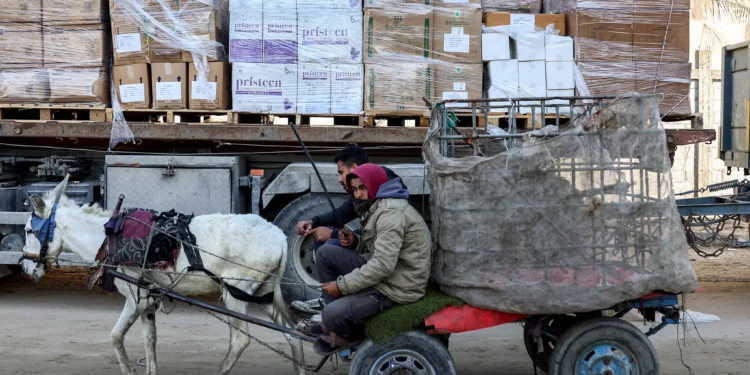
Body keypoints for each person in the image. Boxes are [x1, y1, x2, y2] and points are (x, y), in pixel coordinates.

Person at [305, 164, 432, 355]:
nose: (357, 195)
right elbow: (381, 247)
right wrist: (356, 241)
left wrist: (341, 286)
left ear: (375, 186)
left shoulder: (390, 214)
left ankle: (349, 334)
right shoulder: (379, 206)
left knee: (331, 314)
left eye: (362, 188)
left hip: (398, 287)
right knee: (326, 252)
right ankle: (334, 326)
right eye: (355, 189)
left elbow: (382, 265)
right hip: (392, 275)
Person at [292, 146, 408, 316]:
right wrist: (313, 221)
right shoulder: (371, 188)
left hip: (391, 270)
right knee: (325, 240)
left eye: (341, 172)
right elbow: (342, 214)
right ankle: (329, 302)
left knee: (327, 249)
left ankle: (332, 307)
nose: (339, 179)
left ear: (354, 168)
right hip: (377, 255)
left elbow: (382, 256)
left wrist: (340, 286)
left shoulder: (385, 201)